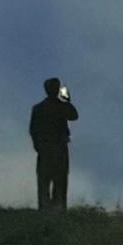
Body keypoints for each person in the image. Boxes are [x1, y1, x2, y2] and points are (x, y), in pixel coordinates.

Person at [29, 77, 79, 212]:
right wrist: (67, 101)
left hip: (49, 148)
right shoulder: (60, 107)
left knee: (50, 180)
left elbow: (33, 130)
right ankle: (56, 208)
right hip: (54, 148)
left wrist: (37, 145)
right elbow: (33, 129)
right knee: (57, 180)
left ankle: (49, 209)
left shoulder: (39, 108)